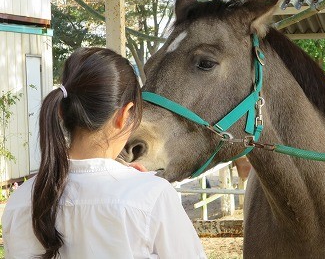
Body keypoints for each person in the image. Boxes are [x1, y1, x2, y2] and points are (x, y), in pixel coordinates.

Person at [2, 48, 206, 259]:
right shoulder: (152, 197)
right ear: (124, 115)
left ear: (61, 110)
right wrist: (142, 185)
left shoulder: (20, 201)